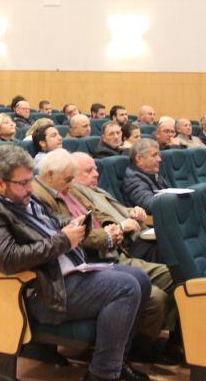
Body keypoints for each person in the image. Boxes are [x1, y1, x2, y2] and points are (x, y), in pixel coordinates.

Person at [0, 145, 150, 381]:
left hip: (65, 272)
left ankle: (117, 360)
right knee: (125, 287)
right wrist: (63, 241)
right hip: (41, 291)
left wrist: (71, 224)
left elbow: (50, 221)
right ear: (0, 184)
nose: (30, 189)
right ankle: (102, 376)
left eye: (30, 181)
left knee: (140, 279)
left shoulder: (22, 199)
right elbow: (9, 259)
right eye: (23, 183)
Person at [32, 150, 174, 359]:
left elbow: (94, 213)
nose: (72, 184)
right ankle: (134, 352)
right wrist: (106, 236)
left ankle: (180, 344)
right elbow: (71, 233)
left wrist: (112, 228)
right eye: (69, 179)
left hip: (110, 251)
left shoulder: (67, 189)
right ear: (51, 175)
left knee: (175, 275)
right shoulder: (41, 196)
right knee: (147, 294)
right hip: (88, 261)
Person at [122, 139, 168, 213]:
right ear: (139, 158)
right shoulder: (133, 178)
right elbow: (150, 205)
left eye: (158, 155)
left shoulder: (152, 174)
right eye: (154, 155)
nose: (159, 159)